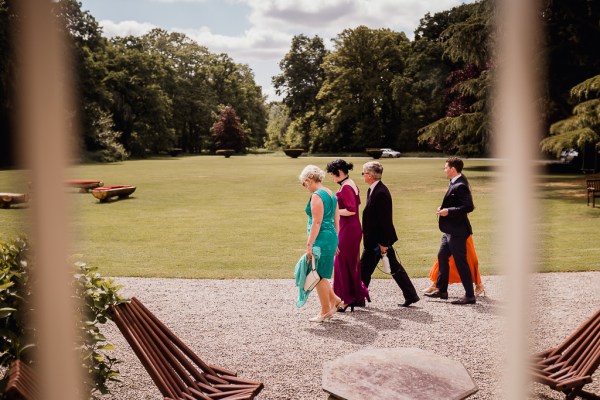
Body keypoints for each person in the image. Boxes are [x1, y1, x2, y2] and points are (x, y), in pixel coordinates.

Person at [360, 161, 420, 307]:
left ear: (370, 175)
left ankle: (358, 298)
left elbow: (385, 220)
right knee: (392, 267)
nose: (363, 176)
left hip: (378, 241)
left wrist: (384, 243)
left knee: (363, 270)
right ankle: (411, 295)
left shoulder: (380, 193)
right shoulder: (373, 190)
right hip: (376, 240)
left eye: (363, 173)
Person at [425, 157, 477, 305]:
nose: (444, 170)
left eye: (446, 167)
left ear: (453, 169)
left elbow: (468, 207)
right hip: (449, 230)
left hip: (458, 231)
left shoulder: (460, 185)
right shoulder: (454, 182)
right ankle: (442, 290)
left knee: (461, 262)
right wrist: (443, 209)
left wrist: (448, 211)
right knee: (442, 256)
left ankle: (470, 296)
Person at [299, 165, 342, 322]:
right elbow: (336, 219)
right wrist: (336, 240)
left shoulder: (317, 195)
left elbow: (317, 222)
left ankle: (325, 310)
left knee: (319, 276)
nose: (305, 187)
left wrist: (309, 245)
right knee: (321, 273)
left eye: (304, 184)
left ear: (309, 180)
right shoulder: (331, 193)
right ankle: (336, 300)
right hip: (330, 237)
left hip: (321, 239)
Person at [325, 159, 369, 312]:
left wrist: (332, 212)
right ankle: (355, 296)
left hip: (349, 229)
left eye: (333, 174)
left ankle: (346, 298)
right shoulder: (350, 184)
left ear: (339, 173)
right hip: (351, 228)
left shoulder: (346, 188)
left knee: (341, 263)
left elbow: (351, 210)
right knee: (349, 264)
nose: (332, 177)